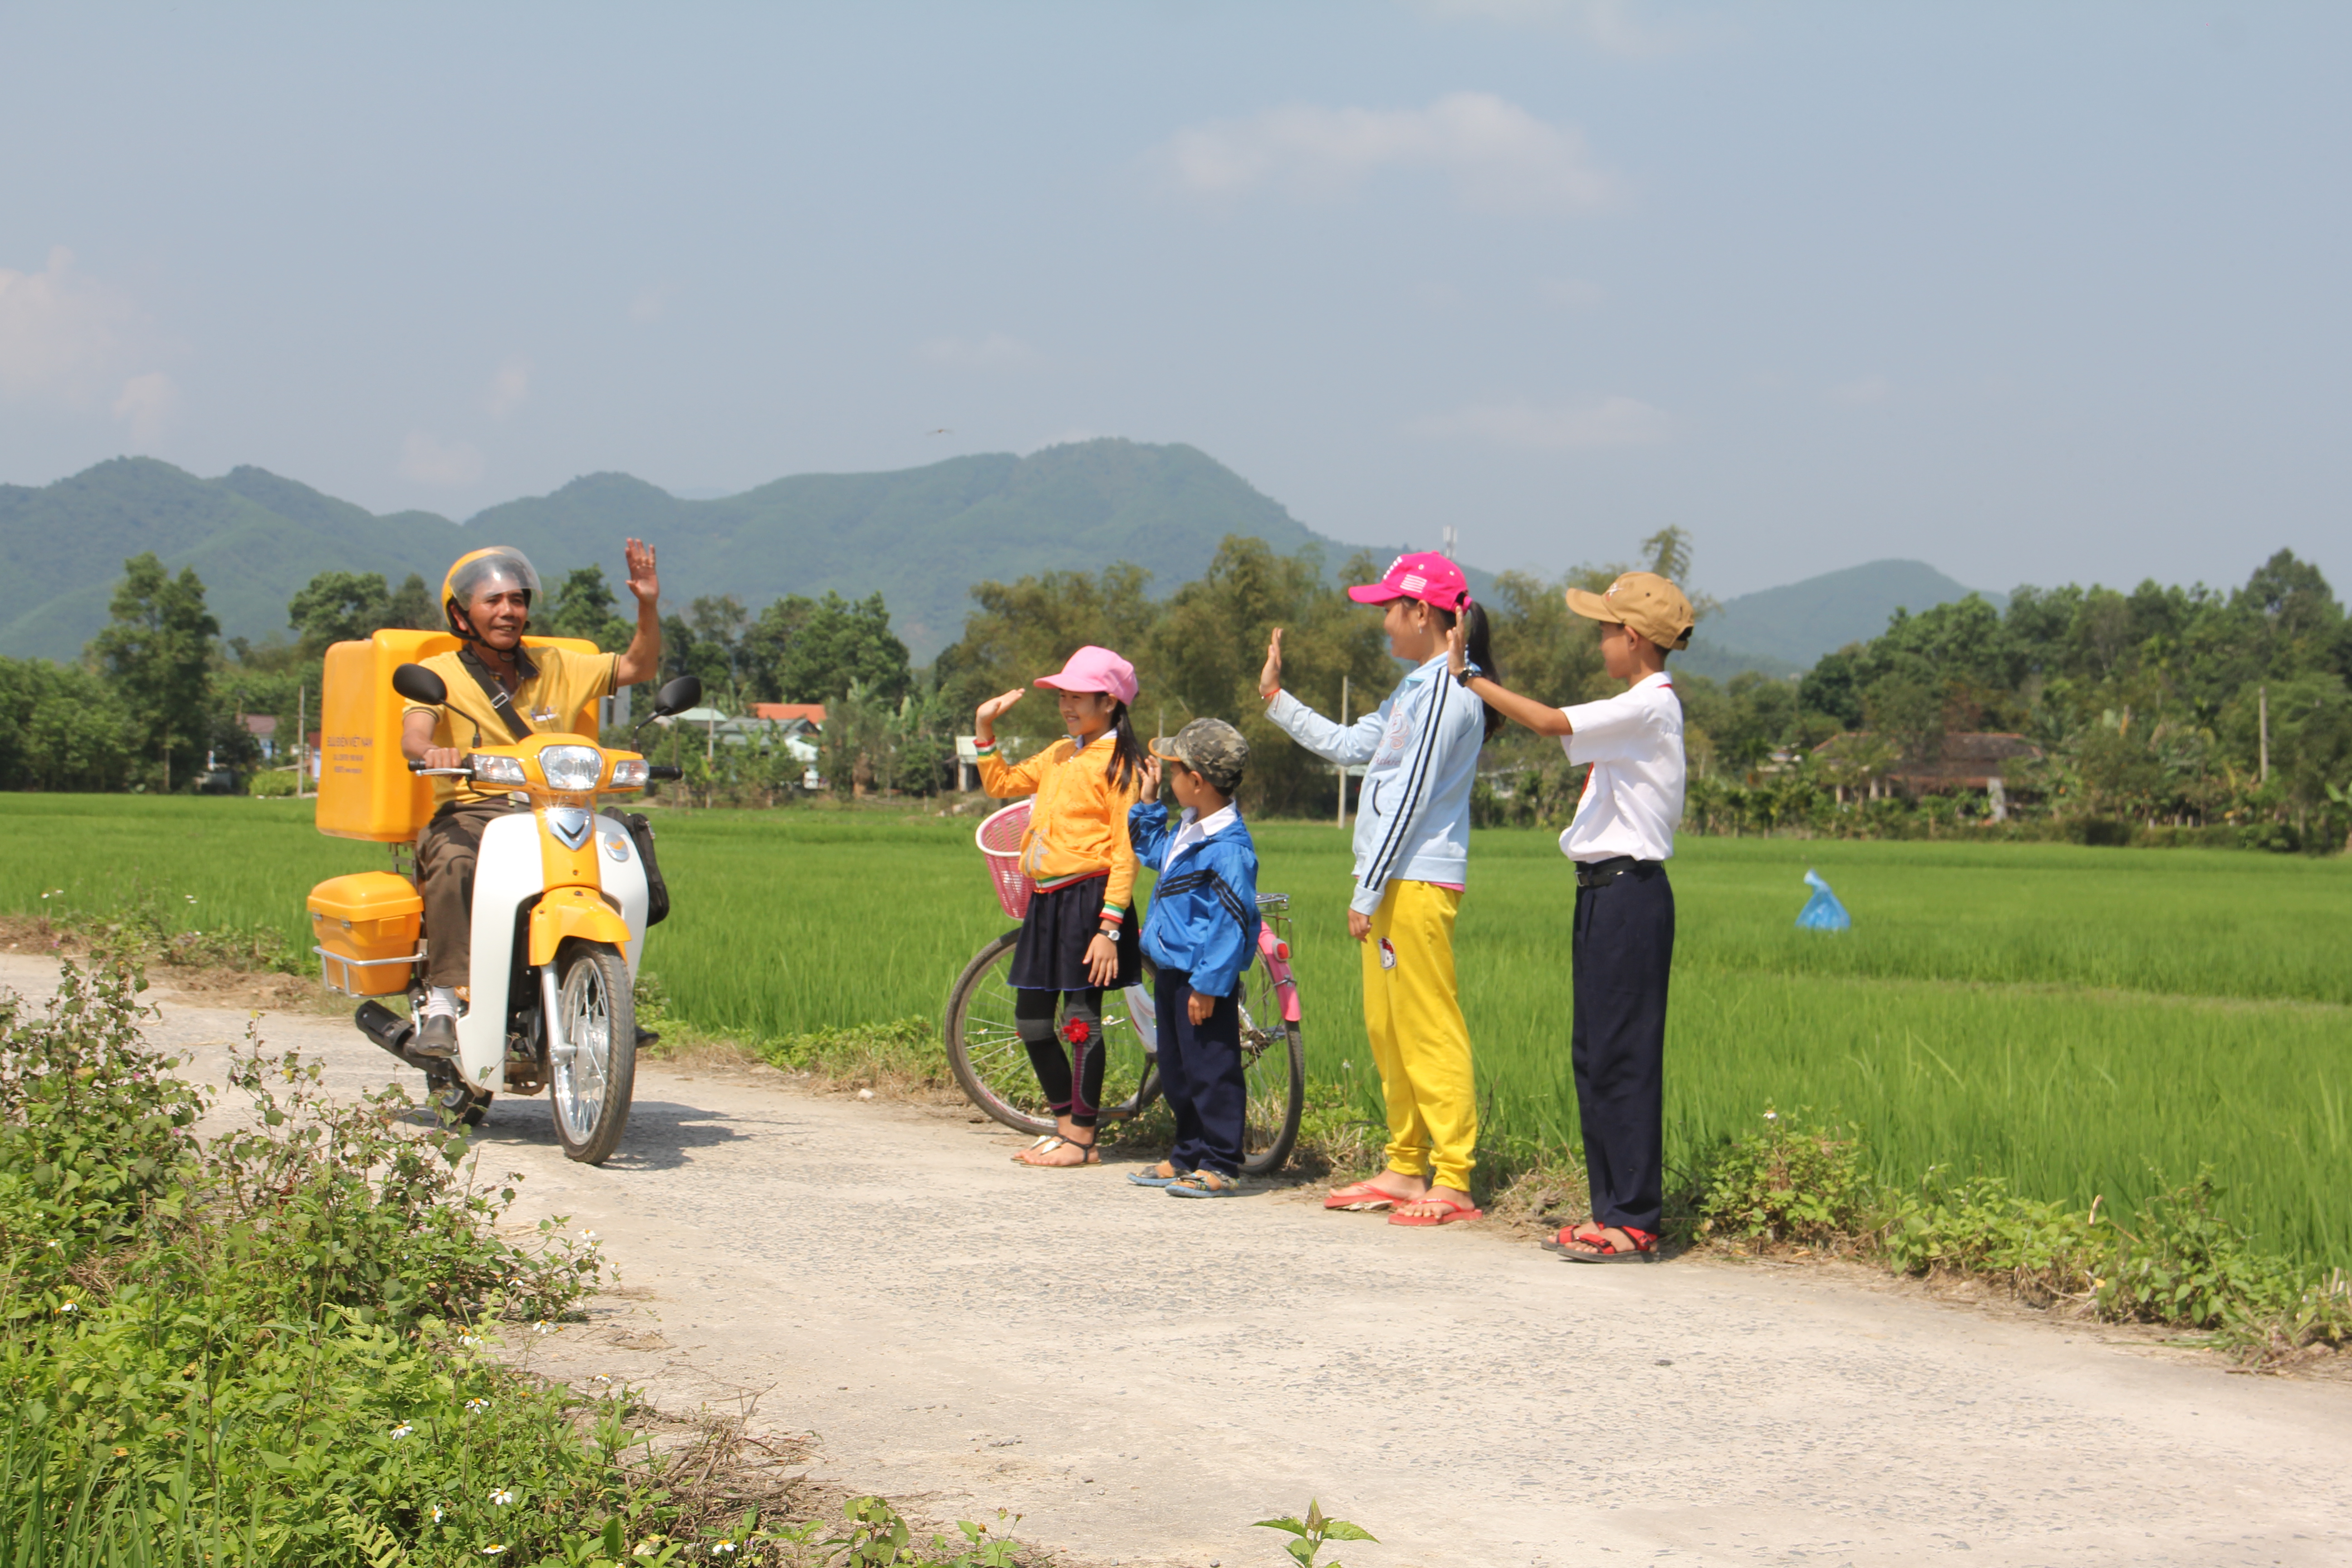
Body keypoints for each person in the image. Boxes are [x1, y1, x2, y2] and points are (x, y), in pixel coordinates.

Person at [1445, 569, 1691, 1263]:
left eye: (1607, 630)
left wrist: (1470, 677)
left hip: (1630, 896)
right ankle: (1610, 1209)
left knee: (1626, 1057)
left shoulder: (1649, 706)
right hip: (1602, 893)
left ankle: (1634, 1218)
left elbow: (1551, 721)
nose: (1602, 641)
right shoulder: (1635, 706)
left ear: (1635, 638)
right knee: (1595, 1054)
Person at [1260, 552, 1502, 1227]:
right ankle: (1404, 1166)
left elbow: (1415, 800)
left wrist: (1366, 892)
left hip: (1417, 879)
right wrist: (1277, 700)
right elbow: (1348, 746)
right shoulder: (1415, 690)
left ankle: (1452, 1179)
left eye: (1387, 609)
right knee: (1388, 1027)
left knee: (1428, 1026)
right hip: (1392, 879)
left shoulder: (1454, 692)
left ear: (1421, 613)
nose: (1382, 623)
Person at [398, 540, 665, 1058]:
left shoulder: (559, 665)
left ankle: (609, 996)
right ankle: (445, 1003)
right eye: (492, 601)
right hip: (476, 810)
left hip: (557, 809)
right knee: (453, 862)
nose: (508, 611)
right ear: (462, 614)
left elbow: (640, 667)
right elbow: (414, 733)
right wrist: (432, 751)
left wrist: (648, 603)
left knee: (624, 862)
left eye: (516, 600)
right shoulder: (441, 673)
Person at [974, 646, 1148, 1167]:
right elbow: (1000, 784)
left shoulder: (1123, 766)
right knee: (1031, 1020)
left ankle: (1081, 1139)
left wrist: (1109, 929)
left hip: (1092, 902)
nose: (1067, 705)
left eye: (1078, 696)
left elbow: (1126, 851)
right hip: (1046, 900)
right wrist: (984, 730)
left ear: (1111, 702)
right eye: (1064, 696)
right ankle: (1067, 1126)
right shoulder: (1059, 753)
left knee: (1079, 1021)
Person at [1126, 719, 1260, 1199]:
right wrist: (1148, 801)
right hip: (1172, 970)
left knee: (1212, 1070)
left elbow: (1230, 925)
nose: (1169, 774)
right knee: (1178, 1067)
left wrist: (1209, 985)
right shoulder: (1189, 827)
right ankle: (1187, 1153)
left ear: (1198, 781)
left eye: (1174, 769)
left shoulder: (1228, 850)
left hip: (1203, 980)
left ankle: (1221, 1161)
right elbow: (1151, 850)